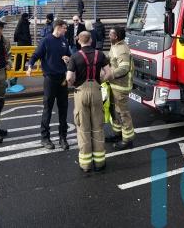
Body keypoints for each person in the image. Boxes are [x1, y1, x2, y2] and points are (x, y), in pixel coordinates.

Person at [67, 31, 112, 172]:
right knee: (97, 127)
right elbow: (109, 73)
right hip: (96, 91)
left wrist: (74, 83)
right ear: (91, 40)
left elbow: (69, 78)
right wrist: (100, 81)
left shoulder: (75, 56)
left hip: (81, 92)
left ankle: (86, 164)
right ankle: (100, 163)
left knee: (83, 128)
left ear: (79, 41)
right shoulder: (100, 54)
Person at [27, 19, 70, 150]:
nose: (66, 30)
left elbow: (69, 56)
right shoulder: (46, 40)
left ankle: (63, 138)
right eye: (64, 28)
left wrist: (68, 59)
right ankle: (45, 138)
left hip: (62, 79)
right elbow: (35, 55)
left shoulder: (64, 41)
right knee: (48, 109)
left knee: (63, 109)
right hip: (50, 79)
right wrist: (30, 66)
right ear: (58, 27)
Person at [106, 27, 135, 149]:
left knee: (123, 113)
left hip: (121, 86)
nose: (108, 36)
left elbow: (123, 68)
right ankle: (117, 133)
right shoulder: (114, 45)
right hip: (114, 84)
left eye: (110, 34)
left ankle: (128, 139)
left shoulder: (122, 50)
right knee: (114, 111)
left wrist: (108, 75)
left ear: (116, 36)